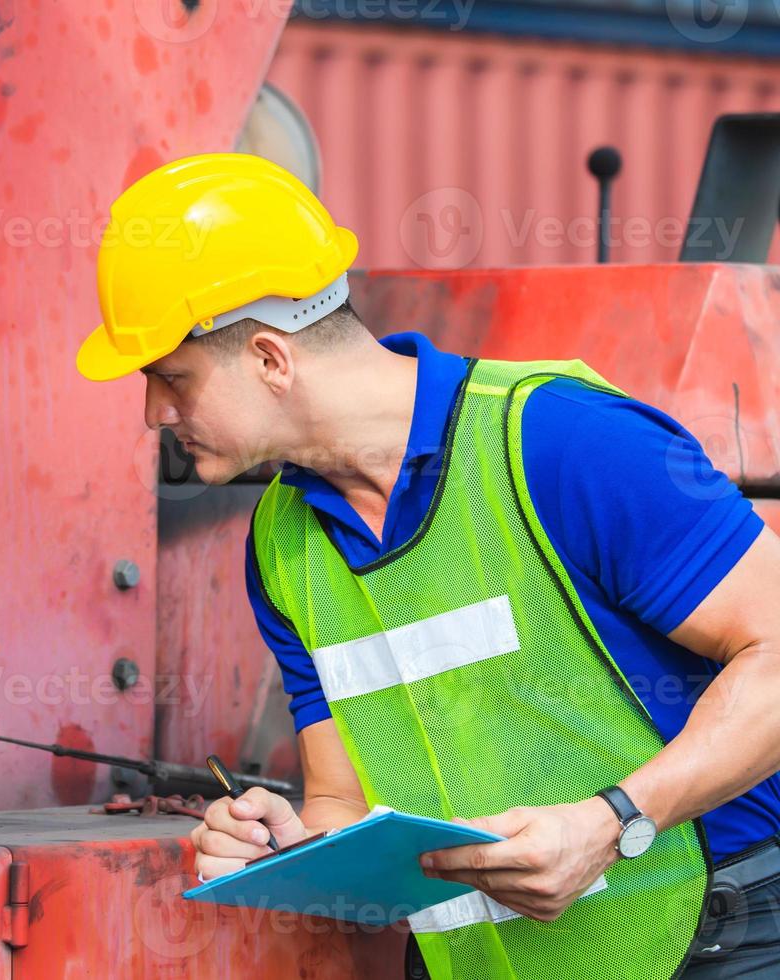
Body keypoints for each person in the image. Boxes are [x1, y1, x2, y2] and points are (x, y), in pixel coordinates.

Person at [77, 153, 780, 979]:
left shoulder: (563, 443)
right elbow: (345, 801)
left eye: (170, 379)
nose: (155, 414)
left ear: (271, 359)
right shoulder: (282, 546)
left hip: (711, 943)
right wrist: (285, 840)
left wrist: (613, 822)